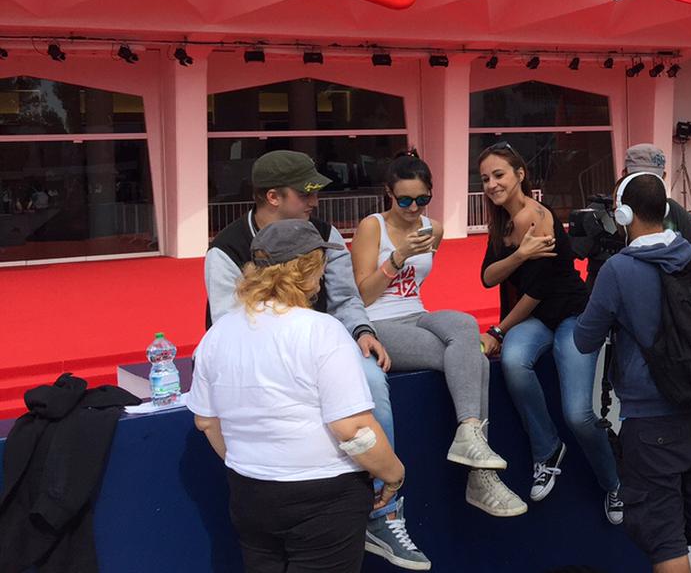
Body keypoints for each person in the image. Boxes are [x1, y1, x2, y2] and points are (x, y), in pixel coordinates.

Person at [203, 150, 424, 568]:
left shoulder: (326, 234)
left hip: (321, 352)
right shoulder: (225, 250)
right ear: (272, 197)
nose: (315, 201)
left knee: (372, 377)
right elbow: (232, 326)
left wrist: (362, 331)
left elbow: (345, 298)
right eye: (305, 193)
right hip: (274, 361)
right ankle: (382, 487)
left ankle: (382, 513)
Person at [351, 150, 525, 523]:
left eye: (422, 199)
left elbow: (416, 287)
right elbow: (362, 295)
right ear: (388, 193)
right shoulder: (372, 227)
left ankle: (469, 435)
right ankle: (479, 476)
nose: (413, 208)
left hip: (417, 313)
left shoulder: (435, 229)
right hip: (377, 323)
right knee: (474, 358)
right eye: (404, 200)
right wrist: (396, 258)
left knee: (463, 325)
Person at [575, 172, 691, 573]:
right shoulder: (688, 254)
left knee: (666, 539)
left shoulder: (617, 270)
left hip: (649, 418)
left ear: (624, 214)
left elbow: (584, 339)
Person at [476, 143, 622, 522]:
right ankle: (547, 449)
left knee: (577, 414)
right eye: (485, 178)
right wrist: (520, 256)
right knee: (513, 363)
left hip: (571, 313)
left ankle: (615, 484)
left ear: (520, 174)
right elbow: (488, 277)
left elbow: (536, 292)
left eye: (499, 175)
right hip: (537, 319)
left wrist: (498, 330)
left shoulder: (537, 217)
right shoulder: (501, 222)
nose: (491, 184)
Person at [621, 143, 691, 272]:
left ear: (664, 177)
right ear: (624, 174)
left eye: (653, 178)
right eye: (639, 177)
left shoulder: (671, 207)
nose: (645, 183)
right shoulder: (610, 211)